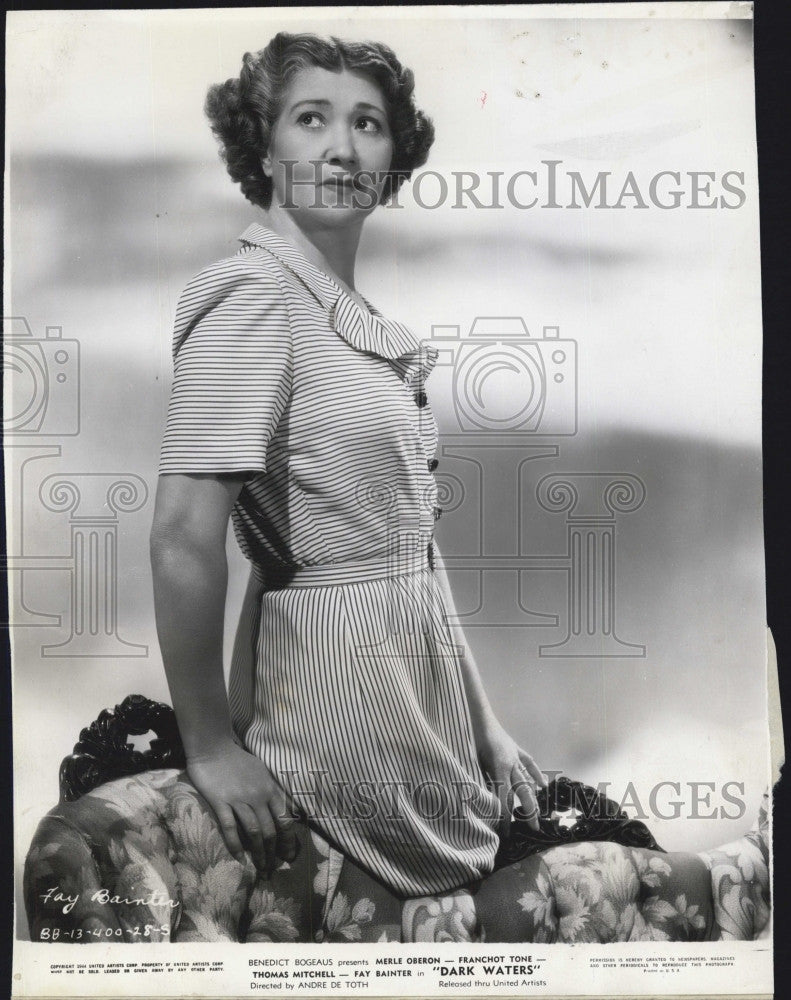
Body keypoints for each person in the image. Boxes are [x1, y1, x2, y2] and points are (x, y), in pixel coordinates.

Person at [150, 31, 545, 900]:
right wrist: (211, 747)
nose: (340, 146)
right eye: (310, 118)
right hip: (333, 721)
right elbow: (183, 535)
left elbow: (413, 556)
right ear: (263, 146)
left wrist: (487, 728)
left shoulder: (349, 322)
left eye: (367, 123)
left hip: (421, 715)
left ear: (393, 154)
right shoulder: (253, 296)